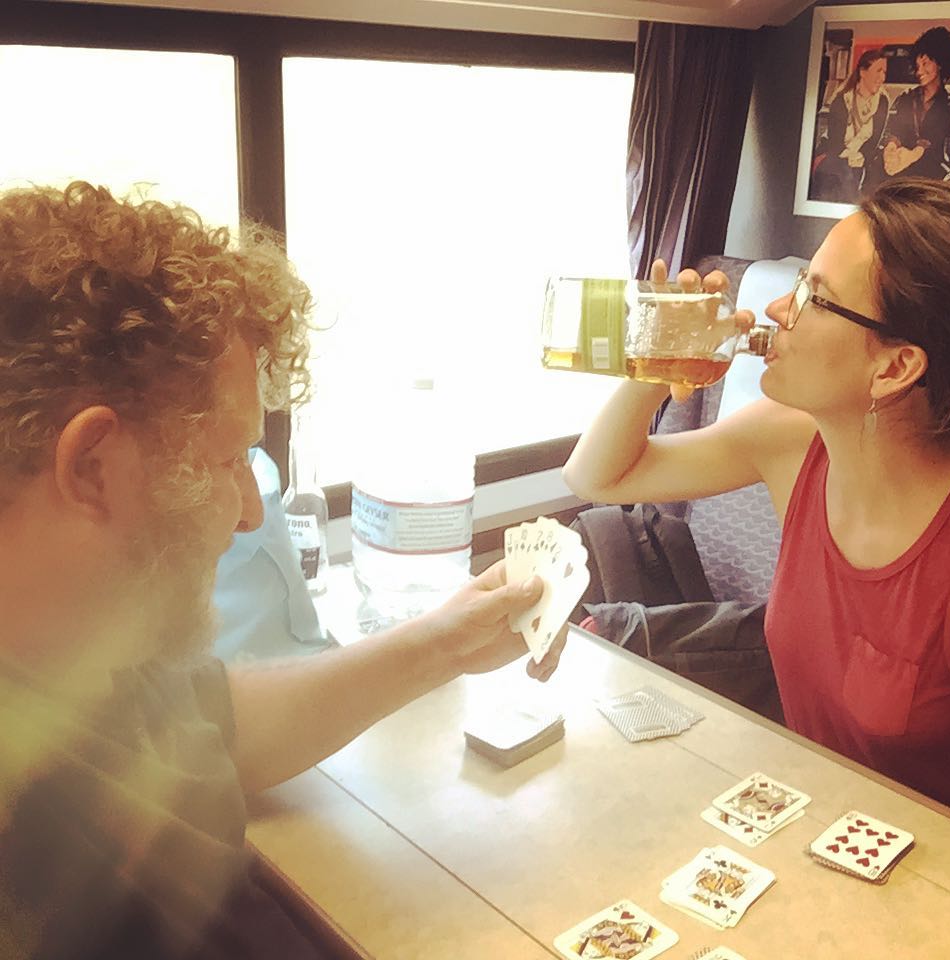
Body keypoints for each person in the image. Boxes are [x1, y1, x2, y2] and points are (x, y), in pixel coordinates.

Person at [0, 181, 566, 959]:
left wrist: (446, 642)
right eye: (227, 460)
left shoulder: (76, 649)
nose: (247, 512)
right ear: (94, 468)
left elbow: (217, 721)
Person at [563, 177, 950, 813]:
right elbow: (597, 478)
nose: (778, 310)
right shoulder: (791, 441)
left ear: (894, 368)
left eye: (813, 297)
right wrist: (661, 363)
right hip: (800, 820)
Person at [866, 26, 950, 185]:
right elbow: (890, 130)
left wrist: (915, 153)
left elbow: (949, 149)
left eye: (925, 63)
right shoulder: (906, 97)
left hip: (931, 173)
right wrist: (891, 146)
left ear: (941, 63)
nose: (919, 71)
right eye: (917, 66)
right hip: (896, 168)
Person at [811, 49, 889, 203]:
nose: (882, 77)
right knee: (843, 173)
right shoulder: (842, 99)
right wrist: (850, 156)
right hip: (835, 152)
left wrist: (862, 156)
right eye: (878, 71)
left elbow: (875, 139)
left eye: (884, 72)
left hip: (863, 155)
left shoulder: (882, 101)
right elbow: (835, 141)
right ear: (863, 72)